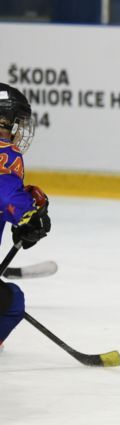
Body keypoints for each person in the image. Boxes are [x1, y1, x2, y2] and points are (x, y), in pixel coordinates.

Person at [0, 83, 52, 352]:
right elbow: (5, 196)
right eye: (15, 122)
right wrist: (28, 215)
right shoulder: (4, 154)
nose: (19, 130)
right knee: (12, 302)